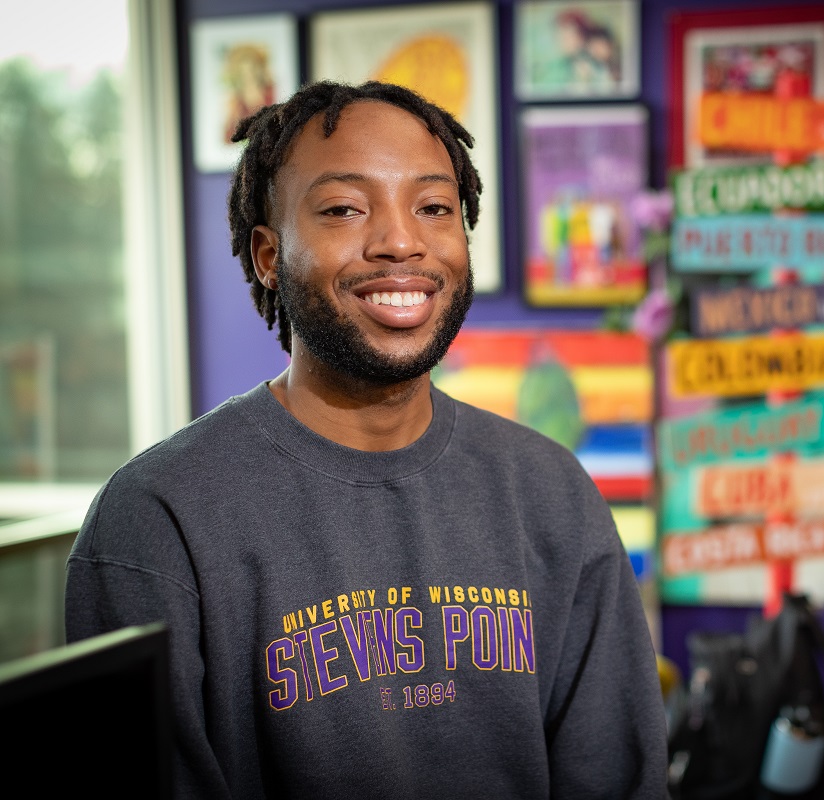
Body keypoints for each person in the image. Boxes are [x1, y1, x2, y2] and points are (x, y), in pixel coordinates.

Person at [64, 80, 668, 799]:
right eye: (344, 208)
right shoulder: (158, 520)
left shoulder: (550, 491)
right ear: (267, 254)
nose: (401, 241)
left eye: (435, 207)